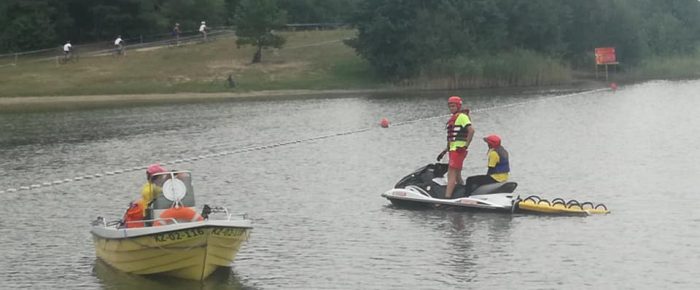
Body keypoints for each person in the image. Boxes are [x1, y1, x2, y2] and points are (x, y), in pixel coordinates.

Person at [440, 96, 474, 199]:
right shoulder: (453, 118)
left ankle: (447, 197)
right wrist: (445, 150)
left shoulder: (462, 117)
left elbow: (471, 130)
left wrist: (465, 146)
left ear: (458, 106)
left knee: (451, 173)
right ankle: (464, 192)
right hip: (453, 149)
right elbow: (452, 137)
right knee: (457, 173)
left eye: (453, 105)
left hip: (459, 149)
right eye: (450, 106)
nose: (451, 108)